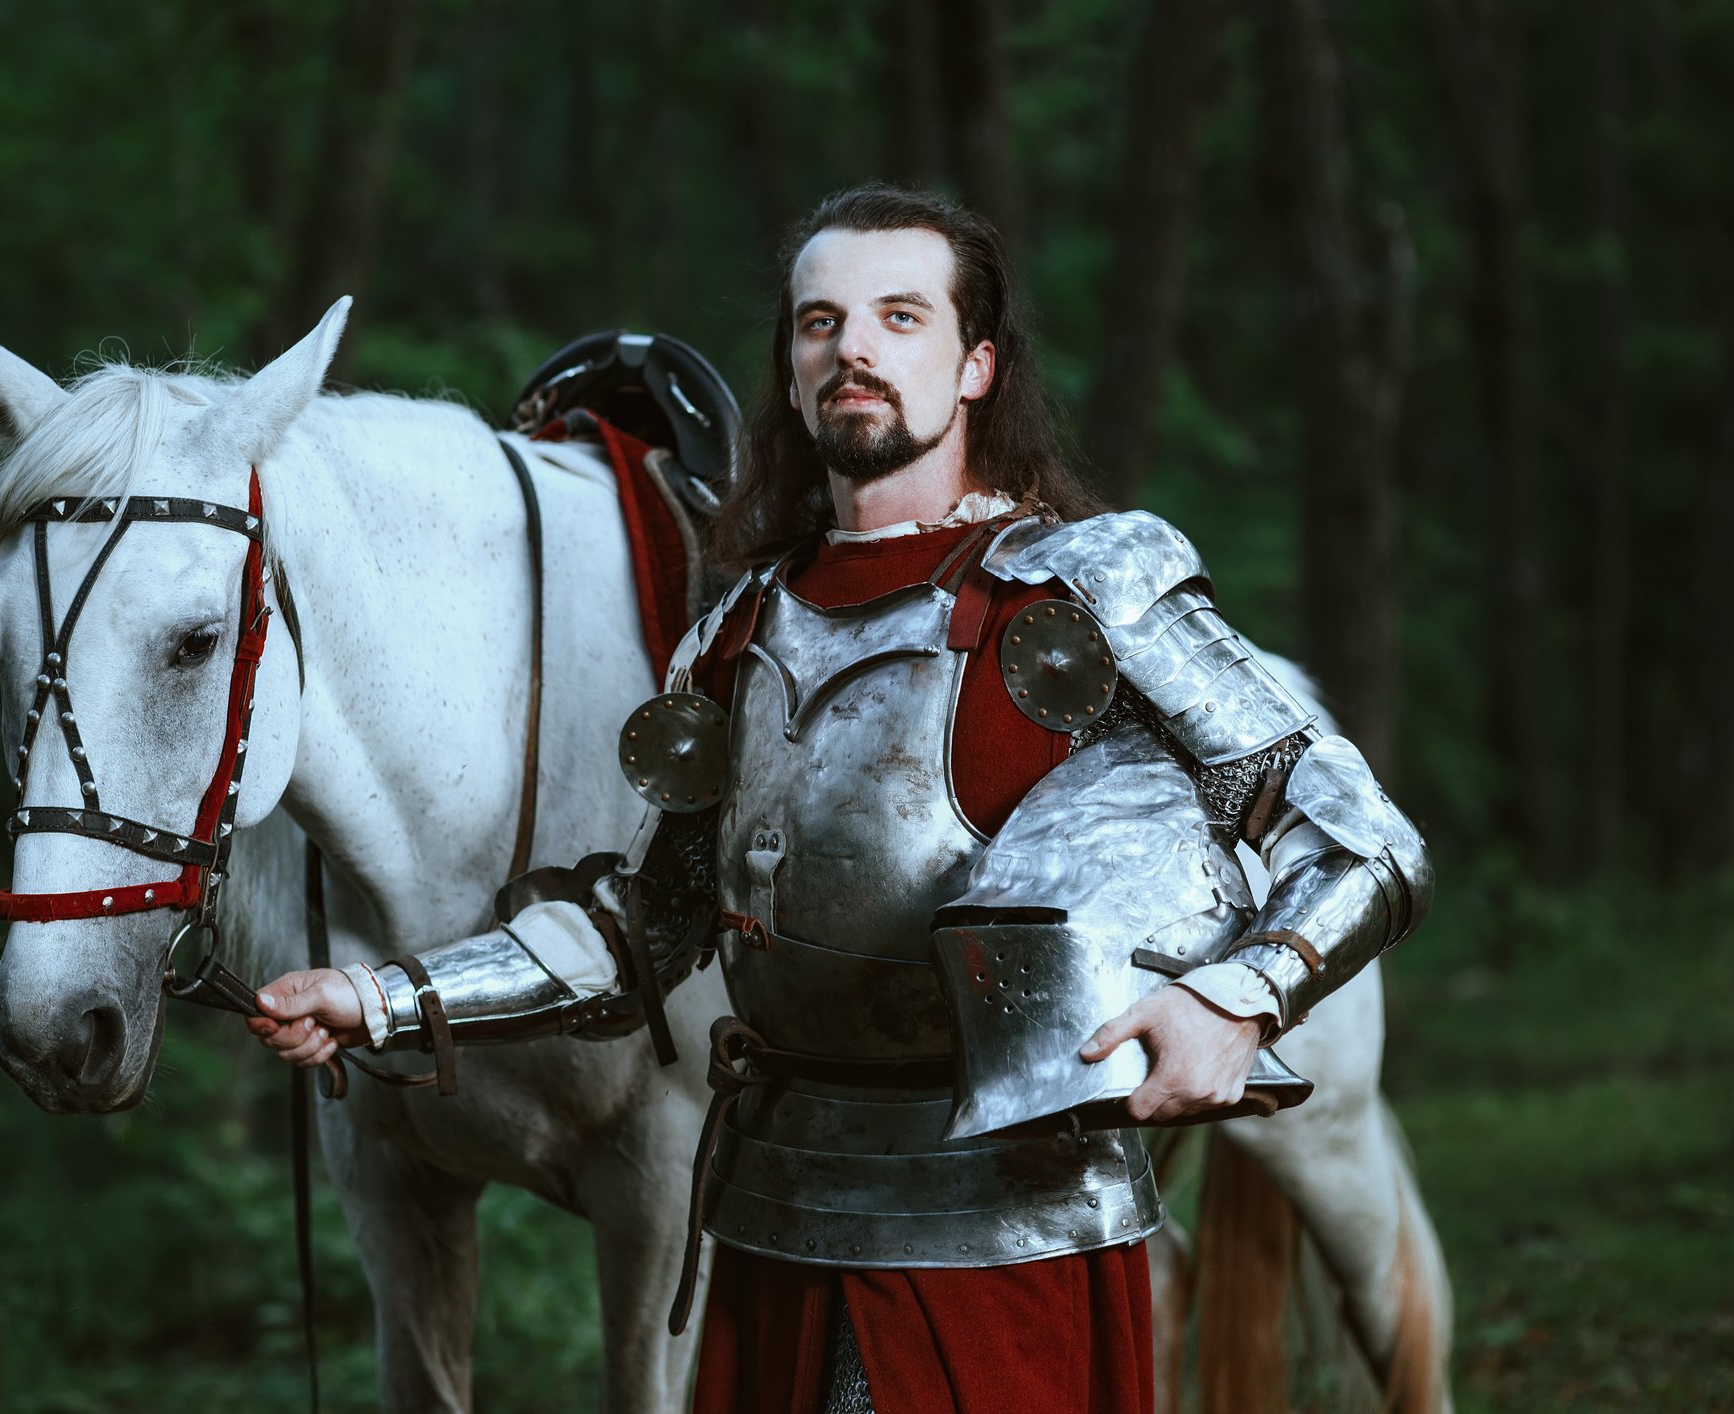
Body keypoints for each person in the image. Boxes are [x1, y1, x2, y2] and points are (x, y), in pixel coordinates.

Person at [245, 185, 1431, 1413]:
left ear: (975, 367)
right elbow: (637, 930)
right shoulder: (733, 634)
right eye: (820, 322)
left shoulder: (1090, 588)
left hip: (1010, 1232)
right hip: (774, 1220)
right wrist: (380, 996)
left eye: (899, 317)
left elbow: (1362, 841)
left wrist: (1235, 1000)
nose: (852, 347)